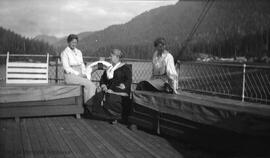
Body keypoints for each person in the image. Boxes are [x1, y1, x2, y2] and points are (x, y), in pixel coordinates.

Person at [90, 49, 132, 124]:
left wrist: (123, 85)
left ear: (117, 57)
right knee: (98, 96)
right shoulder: (109, 68)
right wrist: (104, 86)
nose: (110, 57)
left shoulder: (125, 68)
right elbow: (103, 79)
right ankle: (106, 116)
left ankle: (116, 117)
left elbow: (128, 80)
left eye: (112, 56)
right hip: (109, 90)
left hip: (119, 91)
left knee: (111, 98)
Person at [61, 34, 96, 104]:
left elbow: (82, 64)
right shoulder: (64, 53)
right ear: (68, 42)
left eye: (75, 42)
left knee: (91, 84)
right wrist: (78, 74)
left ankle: (87, 104)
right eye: (72, 42)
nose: (74, 44)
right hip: (70, 75)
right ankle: (88, 106)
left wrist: (84, 73)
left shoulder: (79, 52)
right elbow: (66, 68)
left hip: (80, 74)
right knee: (90, 85)